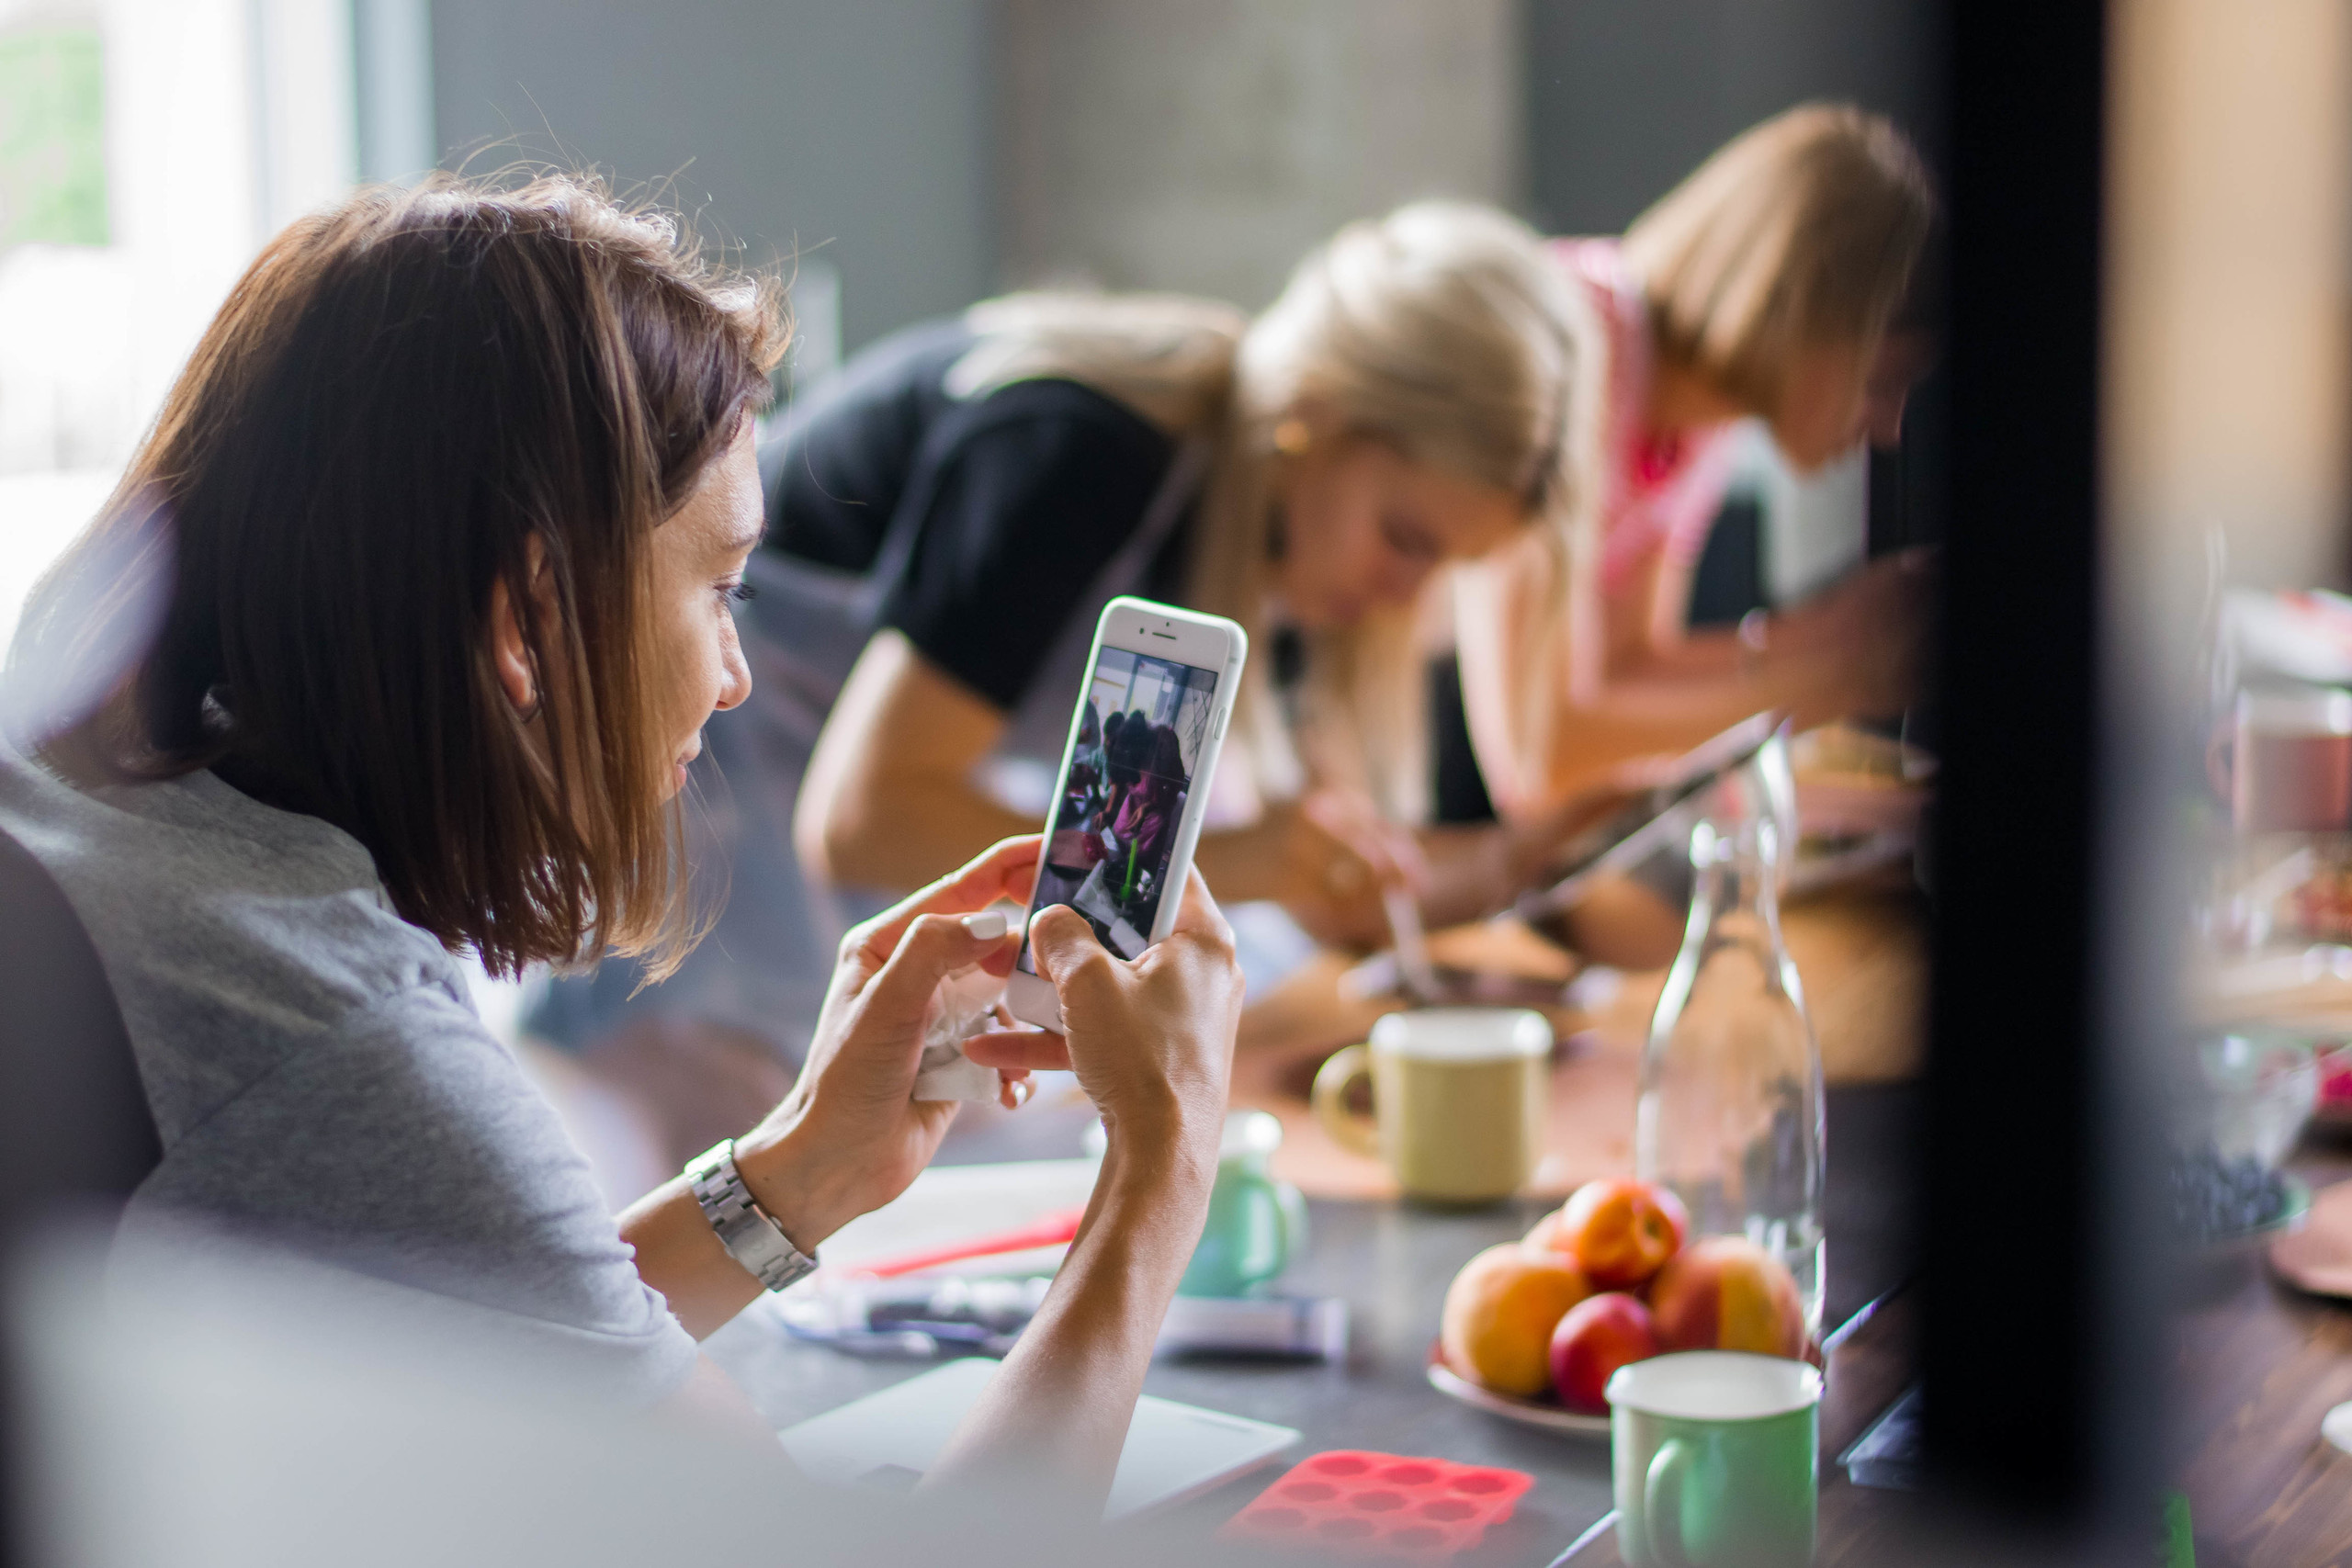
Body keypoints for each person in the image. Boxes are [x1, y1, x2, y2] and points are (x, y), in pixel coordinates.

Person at [0, 174, 1242, 1506]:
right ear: (526, 615)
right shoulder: (326, 1030)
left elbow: (504, 1334)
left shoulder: (105, 823)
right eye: (719, 588)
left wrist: (797, 1174)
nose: (737, 676)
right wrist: (1159, 1172)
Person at [525, 201, 1627, 1142]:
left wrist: (1497, 863)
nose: (1408, 599)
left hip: (835, 830)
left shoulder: (1277, 541)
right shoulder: (1078, 453)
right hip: (710, 797)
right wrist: (1227, 863)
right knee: (721, 1185)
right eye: (1407, 539)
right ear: (1317, 419)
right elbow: (863, 815)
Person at [1454, 103, 1940, 820]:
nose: (1890, 428)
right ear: (1802, 310)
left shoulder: (1697, 416)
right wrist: (1831, 678)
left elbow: (1630, 665)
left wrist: (1821, 638)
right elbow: (1537, 757)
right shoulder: (1581, 348)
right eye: (1879, 380)